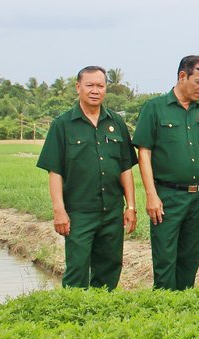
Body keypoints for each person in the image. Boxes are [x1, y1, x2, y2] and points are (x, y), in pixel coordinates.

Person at [132, 55, 199, 291]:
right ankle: (164, 308)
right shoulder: (155, 108)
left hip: (198, 197)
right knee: (165, 256)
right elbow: (144, 153)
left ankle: (183, 305)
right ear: (182, 76)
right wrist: (151, 194)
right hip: (168, 196)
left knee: (191, 255)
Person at [37, 65, 137, 290]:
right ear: (78, 87)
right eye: (90, 85)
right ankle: (74, 316)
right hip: (79, 212)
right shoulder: (62, 125)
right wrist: (59, 210)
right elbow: (55, 171)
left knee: (110, 266)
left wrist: (130, 207)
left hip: (111, 210)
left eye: (100, 86)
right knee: (77, 269)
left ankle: (102, 313)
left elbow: (125, 168)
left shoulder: (116, 123)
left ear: (106, 89)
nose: (95, 90)